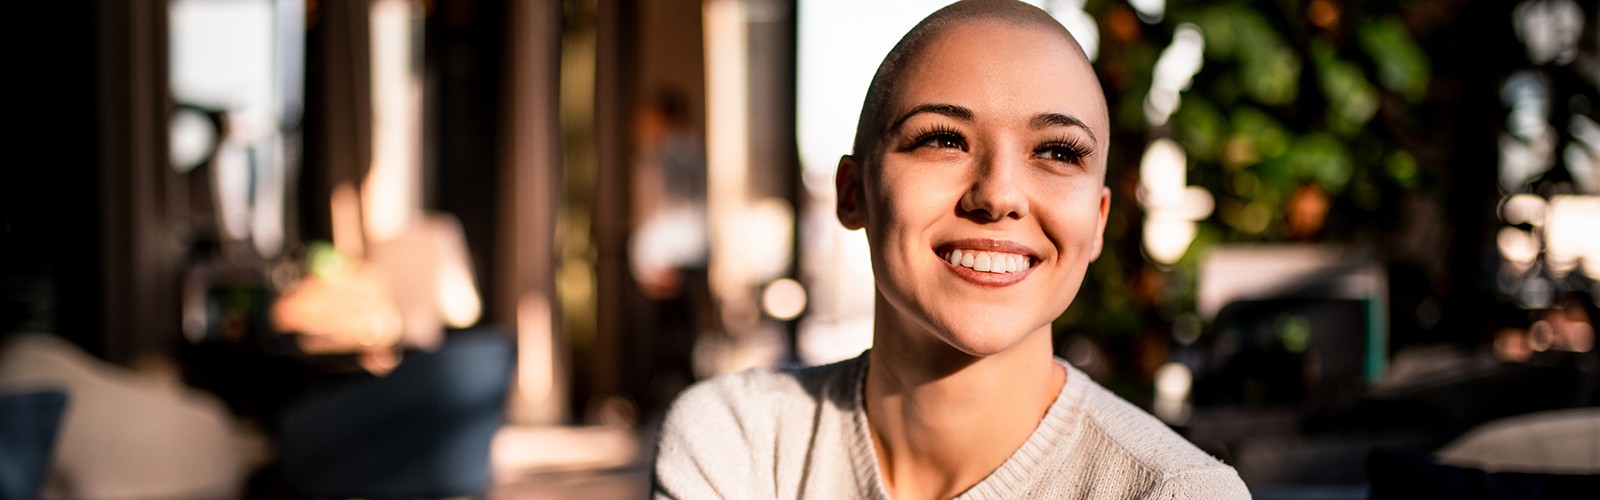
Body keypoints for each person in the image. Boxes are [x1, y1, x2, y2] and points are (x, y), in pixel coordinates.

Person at [653, 1, 1249, 498]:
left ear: (1096, 222)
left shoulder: (1175, 491)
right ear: (852, 193)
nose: (998, 194)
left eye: (1058, 152)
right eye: (942, 138)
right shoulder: (739, 445)